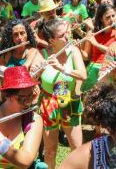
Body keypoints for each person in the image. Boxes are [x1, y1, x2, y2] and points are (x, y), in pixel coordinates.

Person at [31, 19, 87, 169]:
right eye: (62, 35)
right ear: (51, 40)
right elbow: (31, 78)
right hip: (49, 102)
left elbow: (83, 75)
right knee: (50, 151)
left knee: (77, 148)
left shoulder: (73, 50)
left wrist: (62, 68)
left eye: (67, 32)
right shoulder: (41, 54)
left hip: (69, 99)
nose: (67, 37)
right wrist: (37, 71)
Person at [79, 3, 116, 92]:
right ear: (101, 19)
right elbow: (86, 57)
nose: (112, 19)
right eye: (108, 17)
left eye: (113, 16)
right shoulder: (93, 33)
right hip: (93, 70)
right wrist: (78, 49)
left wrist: (96, 44)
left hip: (108, 70)